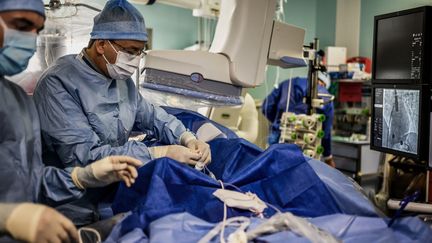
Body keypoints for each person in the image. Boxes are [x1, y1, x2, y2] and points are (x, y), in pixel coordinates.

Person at [34, 0, 211, 225]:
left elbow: (152, 115)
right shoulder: (58, 84)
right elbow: (86, 159)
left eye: (140, 52)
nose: (135, 61)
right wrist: (159, 153)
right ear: (101, 45)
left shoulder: (122, 82)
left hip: (111, 198)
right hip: (68, 210)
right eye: (130, 51)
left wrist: (187, 138)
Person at [0, 0, 144, 242]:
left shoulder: (16, 101)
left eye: (36, 30)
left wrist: (80, 177)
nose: (30, 41)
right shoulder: (58, 82)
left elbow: (30, 182)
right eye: (21, 25)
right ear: (101, 45)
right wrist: (7, 216)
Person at [262, 72, 336, 167]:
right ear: (323, 83)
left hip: (278, 135)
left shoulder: (287, 83)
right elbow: (325, 131)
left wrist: (279, 123)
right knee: (298, 175)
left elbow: (266, 106)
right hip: (306, 143)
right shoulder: (325, 95)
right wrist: (328, 157)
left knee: (272, 168)